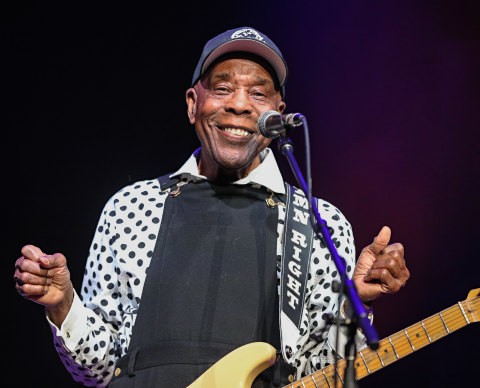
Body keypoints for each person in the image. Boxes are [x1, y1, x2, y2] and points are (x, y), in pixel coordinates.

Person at [13, 27, 410, 388]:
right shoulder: (130, 207)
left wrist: (357, 303)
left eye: (258, 93)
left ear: (278, 116)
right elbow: (98, 369)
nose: (239, 105)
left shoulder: (317, 223)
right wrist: (64, 305)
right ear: (192, 103)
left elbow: (322, 377)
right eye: (222, 88)